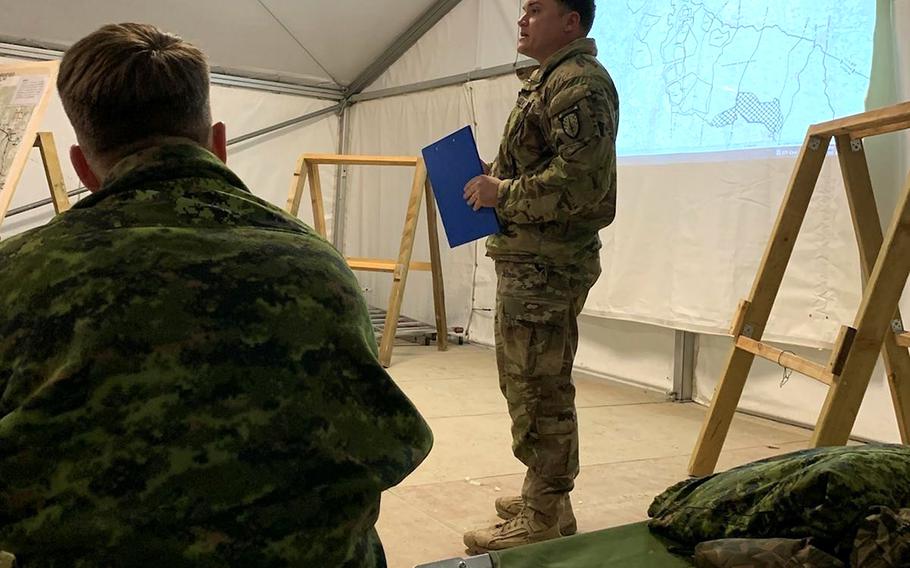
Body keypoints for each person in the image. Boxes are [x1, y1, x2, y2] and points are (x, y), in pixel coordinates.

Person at [0, 23, 432, 567]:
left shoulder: (19, 275)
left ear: (83, 168)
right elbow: (381, 444)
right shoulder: (320, 267)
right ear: (220, 144)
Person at [462, 0, 619, 553]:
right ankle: (551, 497)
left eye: (535, 9)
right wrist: (491, 177)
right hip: (531, 256)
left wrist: (501, 192)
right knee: (526, 379)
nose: (522, 19)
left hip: (549, 263)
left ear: (571, 22)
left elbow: (582, 183)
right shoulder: (549, 81)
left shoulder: (577, 83)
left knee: (539, 385)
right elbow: (546, 166)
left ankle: (544, 511)